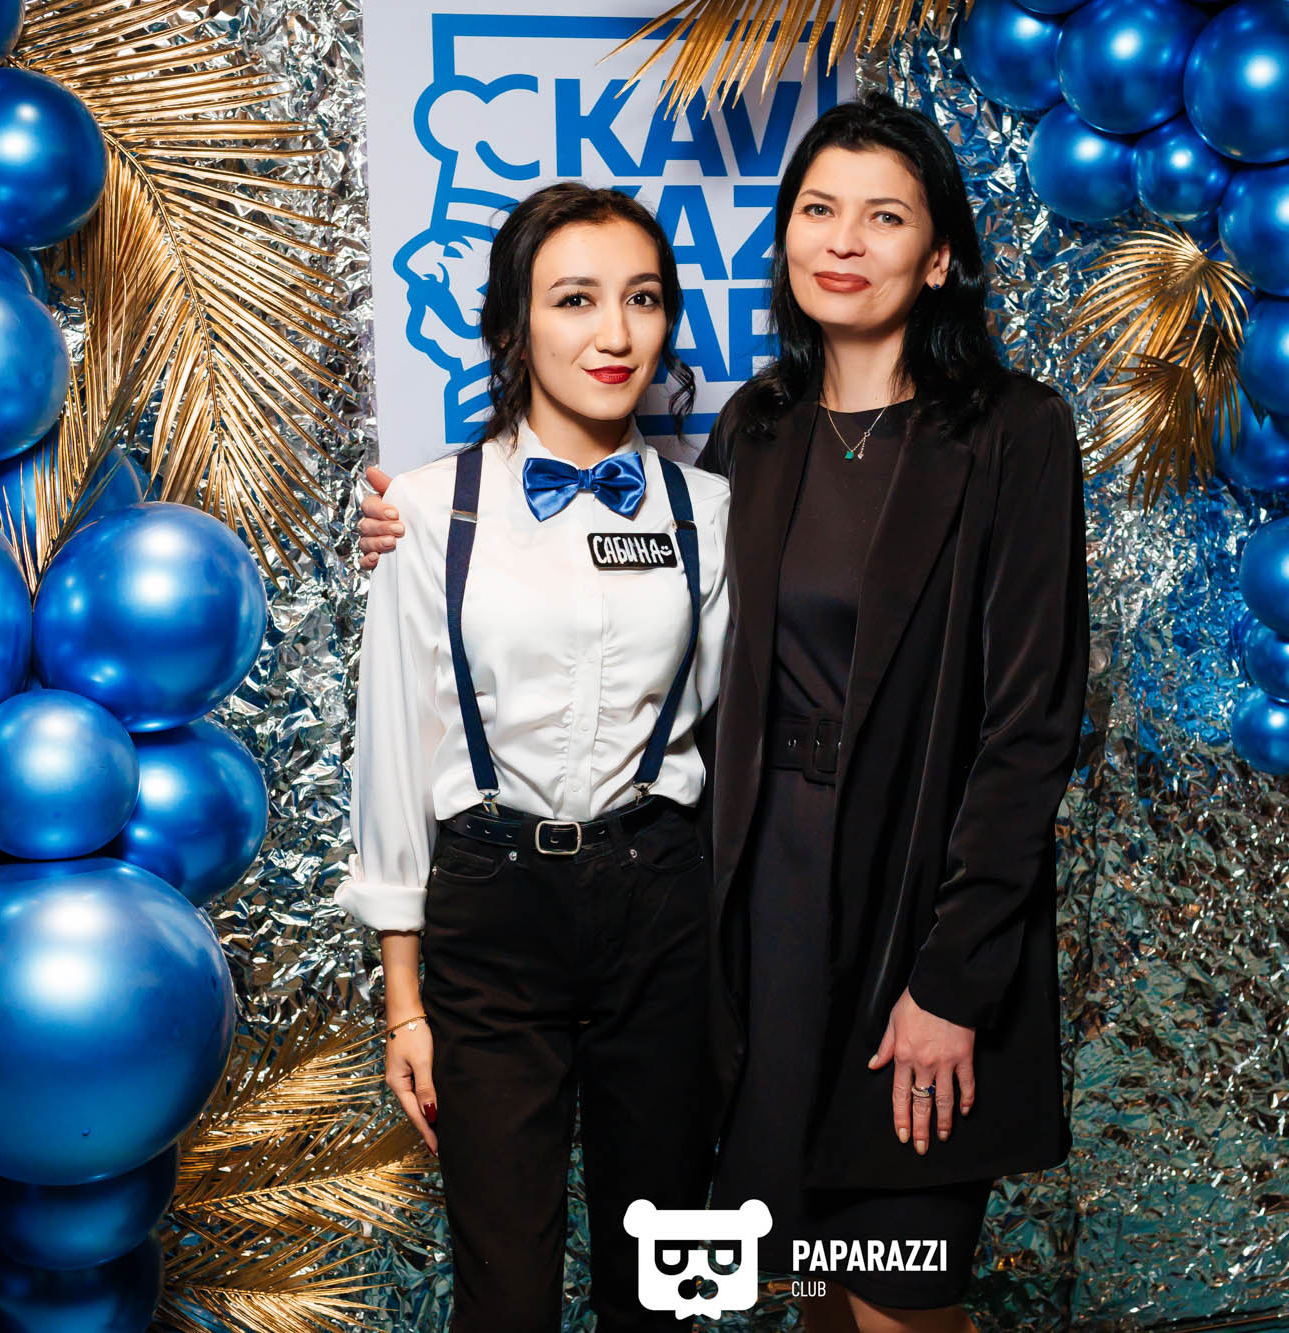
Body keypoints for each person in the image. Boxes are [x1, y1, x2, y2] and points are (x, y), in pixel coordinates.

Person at [360, 93, 1088, 1333]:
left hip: (910, 906)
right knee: (791, 1272)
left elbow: (1029, 727)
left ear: (939, 256)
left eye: (884, 216)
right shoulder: (754, 431)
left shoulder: (1012, 432)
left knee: (899, 1277)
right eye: (817, 209)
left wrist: (955, 978)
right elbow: (628, 616)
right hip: (756, 921)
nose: (842, 240)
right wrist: (411, 523)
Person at [339, 181, 730, 1333]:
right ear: (511, 328)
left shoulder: (710, 512)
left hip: (662, 902)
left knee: (662, 1284)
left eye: (642, 299)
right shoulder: (423, 510)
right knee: (504, 1290)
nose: (614, 333)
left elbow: (736, 719)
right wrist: (403, 1004)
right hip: (492, 911)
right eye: (574, 299)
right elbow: (393, 746)